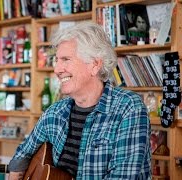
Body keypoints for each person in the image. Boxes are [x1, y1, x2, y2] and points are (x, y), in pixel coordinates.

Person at [8, 22, 151, 179]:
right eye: (57, 60)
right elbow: (23, 153)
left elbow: (123, 176)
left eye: (66, 59)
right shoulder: (55, 112)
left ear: (95, 65)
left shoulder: (129, 108)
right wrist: (15, 173)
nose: (57, 69)